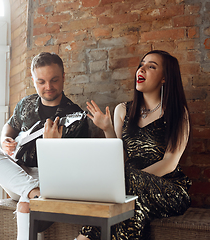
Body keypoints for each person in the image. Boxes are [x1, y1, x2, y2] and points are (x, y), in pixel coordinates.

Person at [76, 50, 192, 240]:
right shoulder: (123, 110)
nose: (142, 69)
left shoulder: (178, 112)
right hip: (129, 187)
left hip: (168, 188)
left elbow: (170, 162)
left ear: (164, 77)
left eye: (151, 66)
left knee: (125, 192)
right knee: (133, 209)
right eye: (142, 64)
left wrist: (128, 181)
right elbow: (120, 158)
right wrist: (107, 129)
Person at [0, 52, 88, 240]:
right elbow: (9, 127)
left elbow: (76, 168)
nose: (48, 87)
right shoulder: (26, 104)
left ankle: (33, 194)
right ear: (33, 79)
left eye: (54, 80)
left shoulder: (75, 116)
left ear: (63, 77)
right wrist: (5, 140)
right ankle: (34, 192)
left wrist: (52, 147)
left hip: (50, 179)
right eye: (41, 81)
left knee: (25, 205)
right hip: (20, 175)